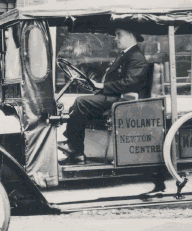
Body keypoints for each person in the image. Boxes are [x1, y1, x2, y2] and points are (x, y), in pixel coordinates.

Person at [59, 28, 149, 164]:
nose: (115, 38)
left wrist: (102, 86)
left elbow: (130, 83)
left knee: (80, 102)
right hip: (115, 98)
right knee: (78, 106)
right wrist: (96, 84)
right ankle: (74, 149)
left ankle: (75, 149)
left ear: (131, 35)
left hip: (122, 101)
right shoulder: (126, 55)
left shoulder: (136, 57)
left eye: (119, 35)